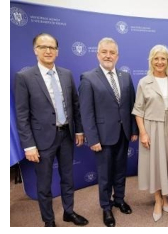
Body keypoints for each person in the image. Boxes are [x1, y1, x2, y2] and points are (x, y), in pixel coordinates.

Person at [14, 33, 88, 227]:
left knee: (68, 177)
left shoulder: (66, 74)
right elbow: (21, 115)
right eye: (43, 47)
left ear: (57, 51)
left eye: (52, 47)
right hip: (41, 140)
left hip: (66, 135)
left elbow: (75, 105)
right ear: (35, 50)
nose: (48, 51)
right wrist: (28, 145)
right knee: (44, 184)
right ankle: (49, 221)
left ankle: (69, 212)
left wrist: (79, 130)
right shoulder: (25, 77)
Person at [79, 37, 138, 227]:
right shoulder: (88, 78)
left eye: (112, 52)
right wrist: (92, 138)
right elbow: (86, 112)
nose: (108, 55)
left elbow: (132, 105)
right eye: (104, 52)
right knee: (104, 174)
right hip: (102, 137)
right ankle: (106, 207)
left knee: (121, 170)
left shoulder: (125, 77)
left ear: (117, 56)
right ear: (97, 54)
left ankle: (119, 199)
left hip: (123, 133)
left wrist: (133, 129)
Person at [132, 45, 168, 222]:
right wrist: (143, 133)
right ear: (151, 61)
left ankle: (166, 195)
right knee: (155, 164)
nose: (160, 62)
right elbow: (138, 110)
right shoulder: (144, 82)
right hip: (152, 126)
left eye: (163, 59)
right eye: (156, 58)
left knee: (167, 163)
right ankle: (158, 199)